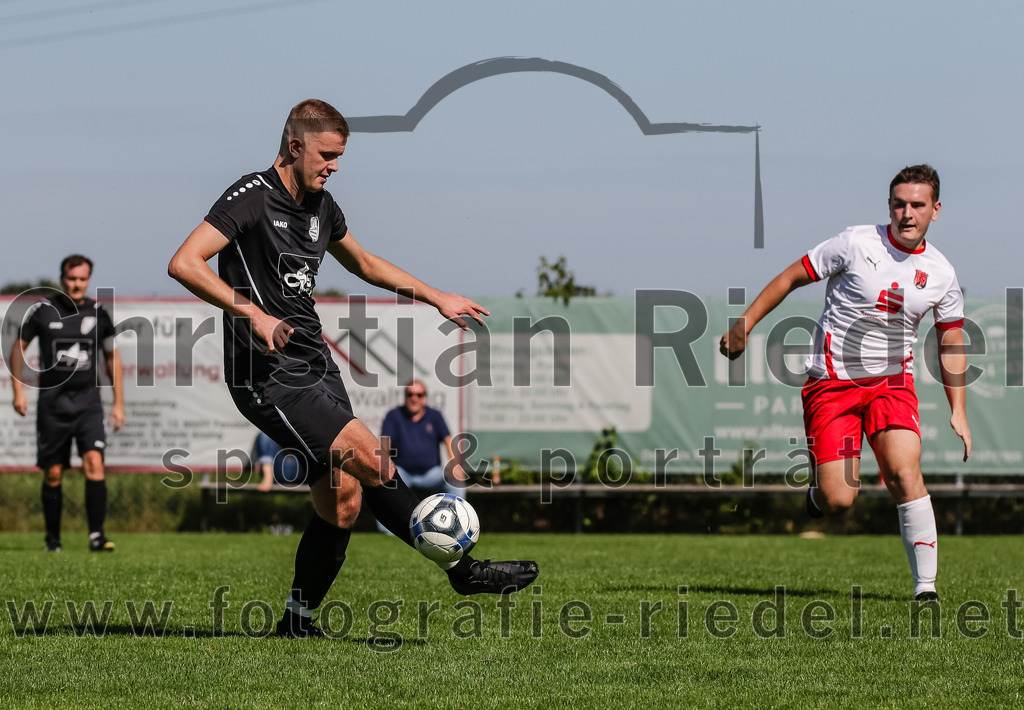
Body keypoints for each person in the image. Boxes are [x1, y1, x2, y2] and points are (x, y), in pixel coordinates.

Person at [168, 99, 538, 637]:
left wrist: (437, 296)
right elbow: (184, 262)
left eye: (340, 156)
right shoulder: (251, 196)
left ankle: (296, 623)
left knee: (343, 501)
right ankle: (462, 570)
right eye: (327, 155)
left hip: (315, 365)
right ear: (295, 145)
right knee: (372, 459)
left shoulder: (323, 207)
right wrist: (254, 314)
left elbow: (363, 263)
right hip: (267, 375)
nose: (334, 166)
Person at [719, 165, 971, 601]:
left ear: (936, 210)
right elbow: (790, 277)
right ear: (888, 206)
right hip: (832, 384)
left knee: (905, 472)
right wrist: (745, 324)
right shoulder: (854, 243)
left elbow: (951, 341)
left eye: (918, 205)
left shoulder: (942, 273)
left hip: (892, 385)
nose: (907, 214)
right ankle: (819, 495)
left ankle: (925, 588)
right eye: (899, 204)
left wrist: (959, 410)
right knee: (839, 501)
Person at [9, 254, 125, 552]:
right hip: (53, 406)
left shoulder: (99, 313)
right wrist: (18, 391)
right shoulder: (43, 311)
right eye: (72, 278)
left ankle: (97, 536)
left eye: (82, 279)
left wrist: (118, 403)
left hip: (88, 405)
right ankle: (53, 541)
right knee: (53, 473)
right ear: (62, 278)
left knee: (94, 464)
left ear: (89, 280)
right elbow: (17, 349)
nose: (77, 284)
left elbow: (112, 357)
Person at [381, 380, 465, 498]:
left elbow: (448, 440)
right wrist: (385, 467)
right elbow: (385, 443)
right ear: (405, 396)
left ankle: (457, 510)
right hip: (403, 473)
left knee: (455, 479)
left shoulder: (435, 415)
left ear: (425, 397)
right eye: (410, 394)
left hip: (432, 473)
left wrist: (455, 466)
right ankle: (388, 512)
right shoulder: (393, 415)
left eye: (419, 395)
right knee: (388, 482)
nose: (414, 398)